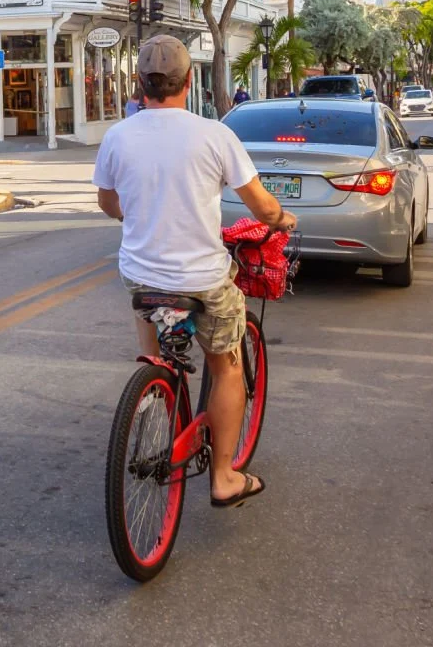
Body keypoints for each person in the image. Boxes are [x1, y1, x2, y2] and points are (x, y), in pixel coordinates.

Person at [92, 34, 296, 508]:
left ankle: (154, 391)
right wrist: (280, 218)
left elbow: (108, 203)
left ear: (141, 84)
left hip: (142, 276)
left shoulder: (118, 136)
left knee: (152, 334)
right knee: (226, 366)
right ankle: (224, 476)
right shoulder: (214, 135)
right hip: (203, 280)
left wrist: (136, 213)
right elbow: (261, 206)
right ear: (188, 82)